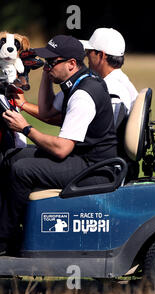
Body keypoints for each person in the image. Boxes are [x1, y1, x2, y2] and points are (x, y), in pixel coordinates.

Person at [0, 35, 117, 255]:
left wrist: (25, 128)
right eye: (46, 62)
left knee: (21, 170)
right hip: (83, 158)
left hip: (95, 167)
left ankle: (4, 241)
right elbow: (46, 112)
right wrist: (46, 73)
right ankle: (12, 228)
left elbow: (62, 149)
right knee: (14, 156)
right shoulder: (78, 80)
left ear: (72, 64)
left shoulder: (83, 94)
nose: (48, 66)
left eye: (52, 62)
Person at [80, 28, 138, 123]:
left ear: (101, 55)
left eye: (89, 51)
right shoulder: (123, 81)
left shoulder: (110, 89)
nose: (87, 55)